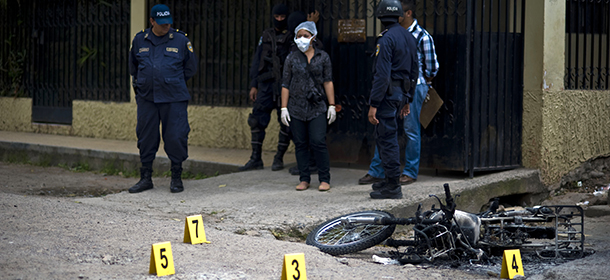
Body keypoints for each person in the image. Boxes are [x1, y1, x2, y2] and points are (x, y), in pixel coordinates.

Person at [359, 0, 439, 187]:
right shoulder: (395, 35)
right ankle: (378, 170)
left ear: (408, 13)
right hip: (398, 89)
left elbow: (432, 67)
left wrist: (419, 85)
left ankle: (409, 172)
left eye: (400, 13)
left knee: (410, 130)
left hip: (414, 87)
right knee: (385, 128)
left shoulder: (421, 36)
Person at [128, 4, 198, 193]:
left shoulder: (181, 40)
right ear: (152, 21)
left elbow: (190, 69)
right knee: (146, 137)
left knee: (176, 136)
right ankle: (145, 178)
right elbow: (133, 67)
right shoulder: (139, 40)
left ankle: (176, 177)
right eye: (161, 23)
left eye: (168, 23)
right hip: (147, 99)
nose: (166, 26)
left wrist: (171, 81)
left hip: (174, 98)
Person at [366, 0, 418, 199]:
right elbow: (414, 71)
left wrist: (374, 104)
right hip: (400, 95)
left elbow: (382, 75)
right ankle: (389, 181)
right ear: (399, 15)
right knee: (391, 138)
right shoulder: (409, 37)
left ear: (380, 17)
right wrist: (408, 98)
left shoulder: (385, 39)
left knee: (387, 139)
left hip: (387, 96)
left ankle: (393, 187)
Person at [280, 21, 336, 191]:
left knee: (318, 141)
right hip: (296, 107)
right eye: (299, 36)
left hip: (317, 107)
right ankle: (304, 178)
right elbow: (285, 84)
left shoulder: (323, 57)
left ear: (313, 37)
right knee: (300, 143)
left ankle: (324, 178)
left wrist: (332, 104)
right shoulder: (291, 58)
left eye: (305, 36)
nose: (302, 39)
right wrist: (284, 108)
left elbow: (328, 81)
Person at [240, 4, 293, 172]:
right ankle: (256, 158)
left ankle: (279, 158)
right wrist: (253, 84)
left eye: (282, 17)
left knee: (286, 123)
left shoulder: (292, 36)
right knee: (256, 120)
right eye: (276, 17)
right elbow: (257, 60)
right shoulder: (266, 35)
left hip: (283, 86)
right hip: (265, 85)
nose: (278, 20)